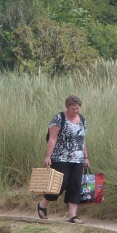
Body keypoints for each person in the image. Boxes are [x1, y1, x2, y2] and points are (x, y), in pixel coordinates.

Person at [38, 95, 89, 224]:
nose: (76, 111)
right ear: (67, 107)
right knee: (58, 185)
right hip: (60, 157)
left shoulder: (82, 120)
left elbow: (82, 140)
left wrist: (86, 157)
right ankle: (42, 205)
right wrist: (48, 156)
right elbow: (52, 138)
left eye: (77, 108)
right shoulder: (59, 118)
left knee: (75, 185)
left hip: (77, 158)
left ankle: (73, 215)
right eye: (73, 109)